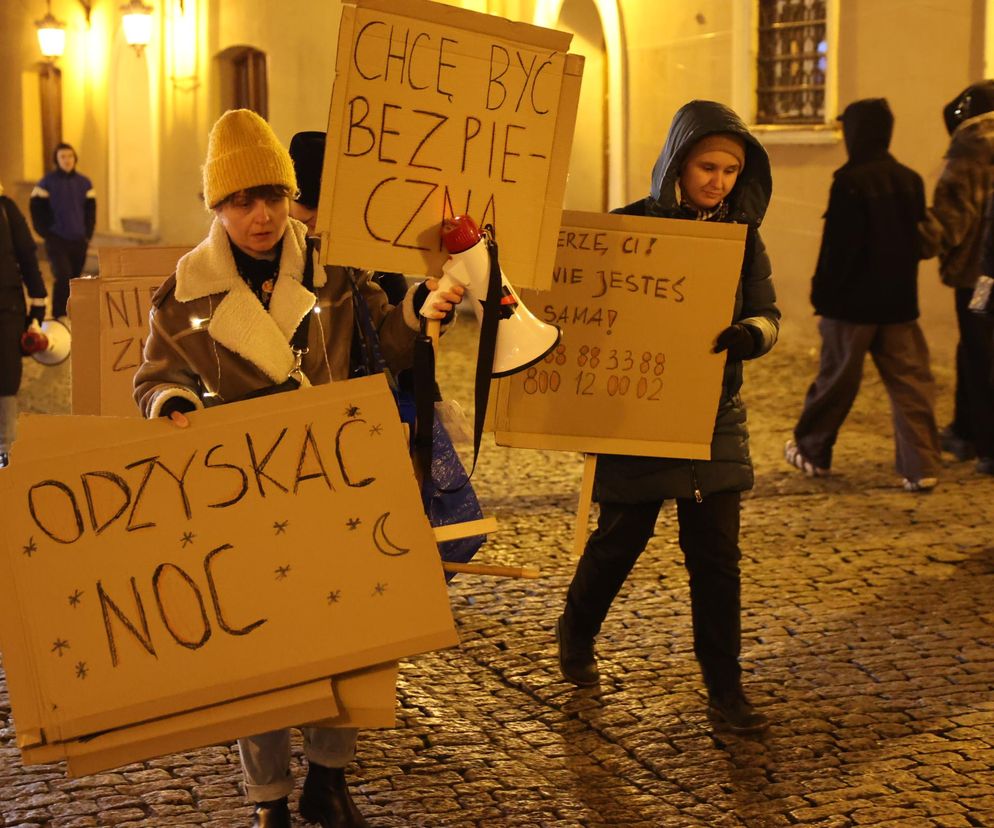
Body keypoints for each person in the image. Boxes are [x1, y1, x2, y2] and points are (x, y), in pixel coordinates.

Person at [133, 109, 463, 828]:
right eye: (243, 201)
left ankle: (329, 779)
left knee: (345, 636)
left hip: (334, 486)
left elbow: (393, 343)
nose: (262, 216)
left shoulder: (333, 270)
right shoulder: (187, 292)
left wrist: (422, 304)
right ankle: (270, 798)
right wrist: (172, 403)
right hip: (241, 497)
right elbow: (154, 376)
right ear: (219, 207)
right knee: (263, 651)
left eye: (273, 197)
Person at [556, 100, 780, 734]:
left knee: (716, 560)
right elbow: (584, 315)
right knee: (619, 541)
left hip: (714, 418)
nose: (718, 181)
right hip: (639, 414)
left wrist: (750, 334)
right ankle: (575, 629)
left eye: (731, 171)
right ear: (678, 164)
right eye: (707, 166)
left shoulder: (741, 237)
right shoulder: (629, 228)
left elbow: (770, 313)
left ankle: (725, 689)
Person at [784, 98, 942, 491]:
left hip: (851, 307)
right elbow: (918, 239)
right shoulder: (910, 179)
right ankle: (921, 467)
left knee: (836, 382)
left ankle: (812, 451)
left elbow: (838, 249)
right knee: (911, 386)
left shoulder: (850, 181)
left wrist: (822, 296)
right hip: (899, 303)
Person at [919, 82, 994, 476]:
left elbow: (951, 218)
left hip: (977, 274)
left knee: (980, 353)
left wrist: (914, 241)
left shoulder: (970, 148)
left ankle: (985, 443)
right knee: (974, 352)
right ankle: (965, 430)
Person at [0, 178, 47, 468]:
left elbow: (27, 255)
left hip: (7, 307)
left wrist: (39, 300)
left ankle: (6, 451)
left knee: (6, 376)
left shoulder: (6, 209)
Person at [29, 142, 95, 322]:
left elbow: (90, 211)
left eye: (70, 156)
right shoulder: (46, 183)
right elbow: (36, 208)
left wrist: (87, 233)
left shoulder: (84, 183)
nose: (67, 160)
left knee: (75, 278)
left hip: (79, 239)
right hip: (57, 239)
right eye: (63, 157)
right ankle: (59, 313)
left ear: (75, 159)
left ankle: (73, 312)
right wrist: (46, 232)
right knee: (63, 274)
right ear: (57, 160)